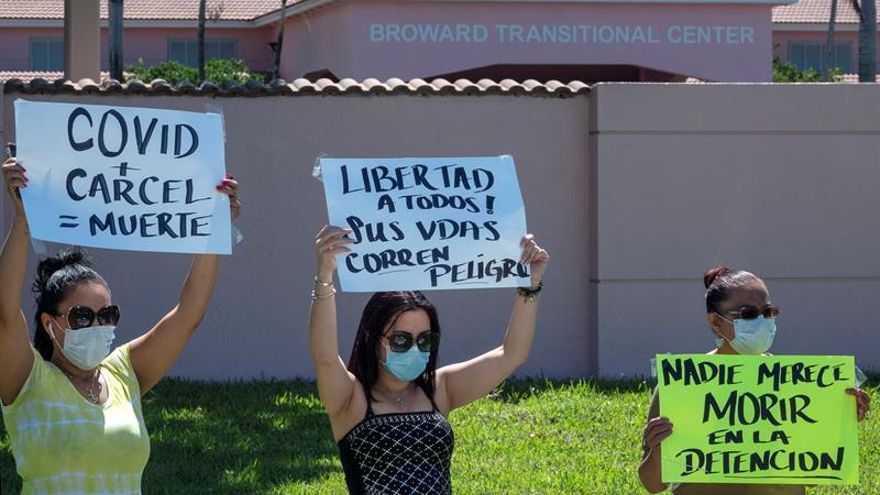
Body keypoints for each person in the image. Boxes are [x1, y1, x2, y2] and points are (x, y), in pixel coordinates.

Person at [0, 152, 241, 494]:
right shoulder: (26, 378)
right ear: (49, 323)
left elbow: (188, 313)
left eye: (107, 315)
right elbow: (4, 313)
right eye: (82, 316)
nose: (98, 326)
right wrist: (23, 219)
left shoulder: (124, 373)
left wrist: (213, 231)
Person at [308, 225, 549, 494]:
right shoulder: (350, 398)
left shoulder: (439, 388)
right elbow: (325, 357)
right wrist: (325, 275)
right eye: (401, 340)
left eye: (425, 340)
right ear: (373, 340)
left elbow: (512, 355)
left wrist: (530, 286)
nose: (415, 348)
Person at [638, 266, 871, 494]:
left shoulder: (797, 385)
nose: (762, 320)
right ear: (715, 322)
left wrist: (840, 419)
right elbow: (652, 485)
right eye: (748, 313)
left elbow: (814, 473)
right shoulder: (683, 385)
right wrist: (659, 451)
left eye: (768, 312)